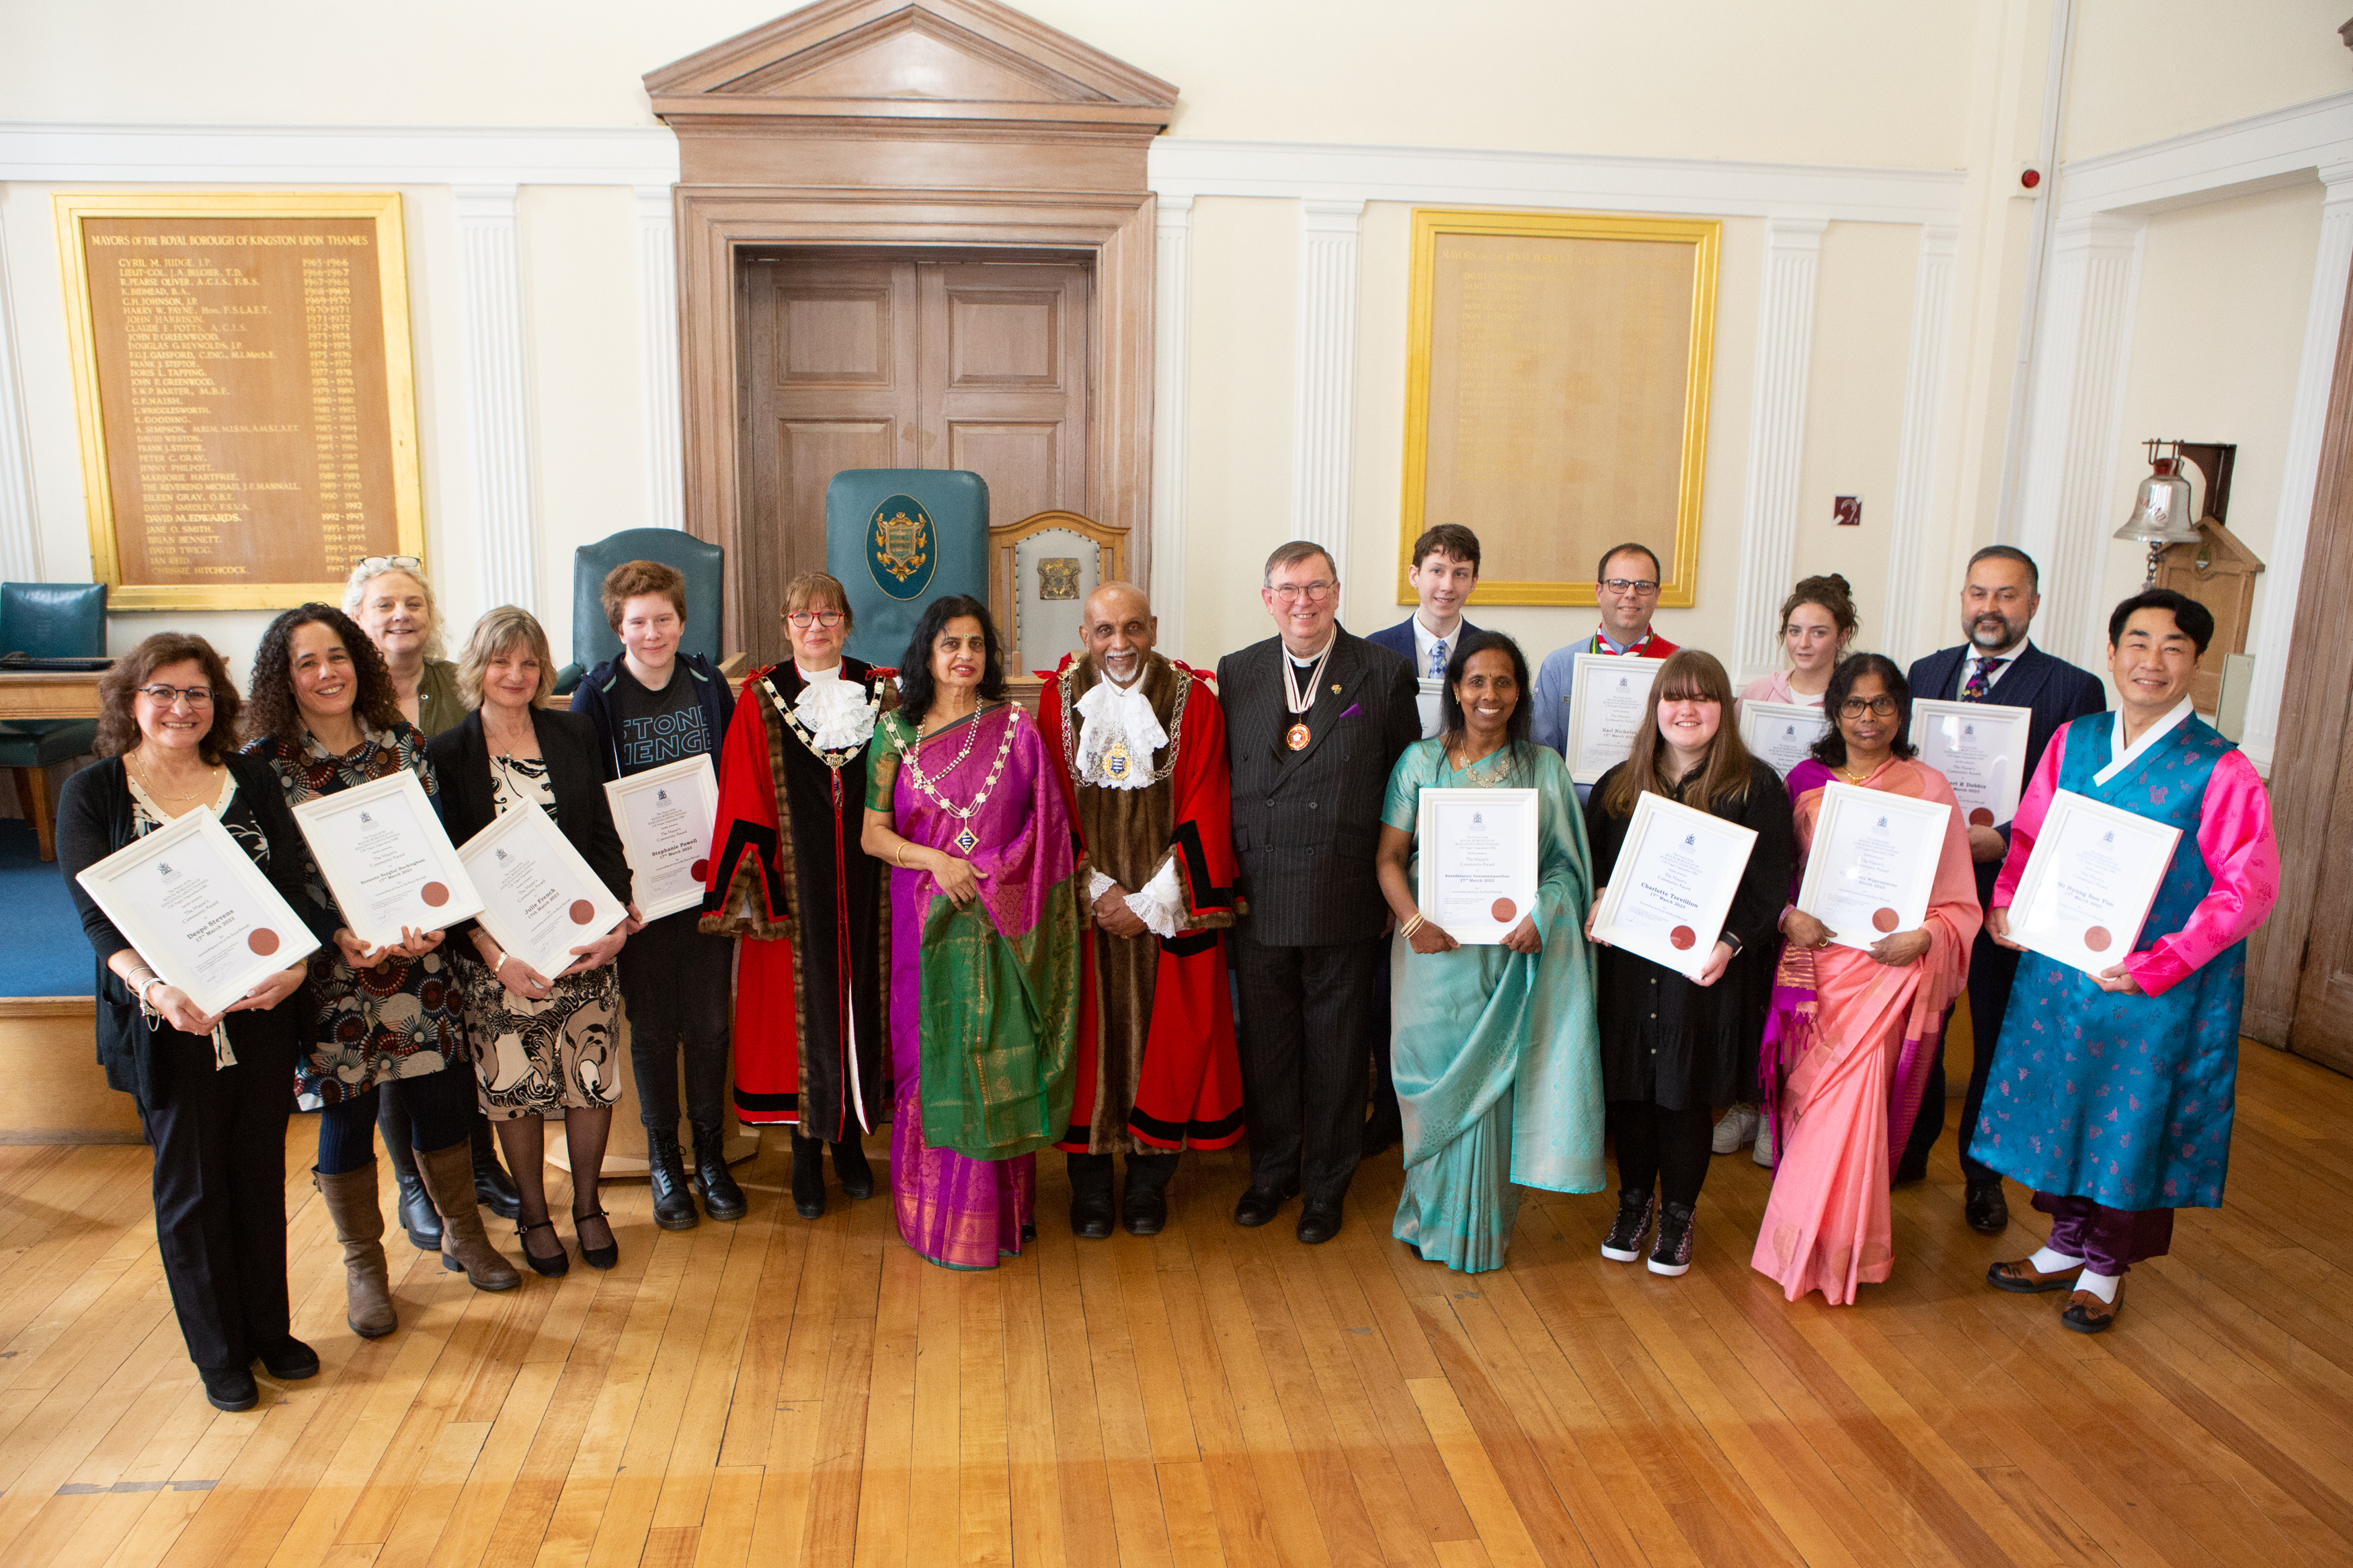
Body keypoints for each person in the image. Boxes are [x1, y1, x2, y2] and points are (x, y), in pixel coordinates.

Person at [1978, 589, 2278, 1333]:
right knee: (2065, 1100)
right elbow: (2032, 836)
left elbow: (2246, 887)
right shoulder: (2075, 739)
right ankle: (2063, 1243)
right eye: (2135, 642)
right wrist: (2008, 901)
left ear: (2195, 663)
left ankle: (2105, 1265)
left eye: (2172, 646)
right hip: (2062, 968)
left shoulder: (2220, 768)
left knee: (2128, 1120)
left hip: (2152, 983)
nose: (2151, 660)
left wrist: (2161, 961)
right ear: (2109, 653)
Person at [58, 636, 329, 1412]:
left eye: (198, 692)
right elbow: (96, 918)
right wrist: (153, 988)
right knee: (192, 1187)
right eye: (163, 691)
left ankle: (268, 1333)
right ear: (131, 701)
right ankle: (219, 1352)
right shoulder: (95, 791)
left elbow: (294, 885)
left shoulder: (246, 777)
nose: (181, 707)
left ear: (220, 703)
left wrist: (297, 966)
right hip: (165, 1020)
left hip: (260, 1011)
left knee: (254, 1175)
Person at [245, 605, 519, 1337]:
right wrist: (333, 933)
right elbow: (268, 878)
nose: (326, 672)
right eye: (307, 662)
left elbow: (435, 844)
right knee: (347, 1113)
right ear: (284, 676)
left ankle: (464, 1233)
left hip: (416, 956)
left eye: (336, 655)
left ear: (358, 662)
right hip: (333, 969)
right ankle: (364, 1265)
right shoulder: (264, 762)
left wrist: (440, 916)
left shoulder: (401, 742)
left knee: (439, 1098)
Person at [859, 596, 1082, 1270]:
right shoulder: (894, 732)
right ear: (926, 654)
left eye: (976, 644)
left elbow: (1046, 831)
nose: (964, 655)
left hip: (999, 924)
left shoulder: (1015, 728)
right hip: (921, 925)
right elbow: (872, 834)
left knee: (993, 1057)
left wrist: (984, 875)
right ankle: (935, 1215)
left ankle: (999, 1216)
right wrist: (937, 860)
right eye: (949, 643)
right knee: (929, 1062)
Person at [1751, 655, 1981, 1304]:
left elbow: (1959, 899)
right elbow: (1771, 880)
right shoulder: (1802, 782)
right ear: (1834, 710)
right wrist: (1788, 916)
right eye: (1855, 704)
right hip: (1814, 970)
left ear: (1901, 712)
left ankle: (1838, 1255)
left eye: (1882, 704)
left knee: (1849, 1113)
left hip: (1887, 974)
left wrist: (1928, 937)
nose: (1869, 717)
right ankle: (1797, 1245)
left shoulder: (1929, 787)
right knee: (1811, 1107)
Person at [1373, 631, 1603, 1272]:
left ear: (1520, 693)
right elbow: (1388, 858)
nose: (1490, 695)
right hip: (1430, 951)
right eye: (1477, 681)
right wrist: (1413, 919)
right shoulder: (1420, 761)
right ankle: (1426, 1216)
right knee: (1429, 1081)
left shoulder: (1545, 767)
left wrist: (1544, 913)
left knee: (1493, 1091)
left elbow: (1566, 869)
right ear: (1454, 688)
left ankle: (1479, 1230)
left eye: (1504, 683)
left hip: (1506, 956)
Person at [1219, 541, 1419, 1245]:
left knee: (1336, 1049)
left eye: (1314, 587)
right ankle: (1272, 1171)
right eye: (1287, 589)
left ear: (1336, 591)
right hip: (1258, 887)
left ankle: (1327, 1184)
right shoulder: (1236, 670)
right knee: (1267, 1044)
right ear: (1266, 597)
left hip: (1342, 886)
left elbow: (1404, 783)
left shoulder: (1384, 670)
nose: (1301, 601)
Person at [1901, 545, 2105, 1229]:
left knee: (1992, 1030)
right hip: (1927, 884)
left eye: (2006, 594)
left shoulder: (2071, 689)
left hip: (2004, 890)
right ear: (1962, 598)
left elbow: (2078, 796)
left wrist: (2010, 834)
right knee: (1923, 1018)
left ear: (2033, 604)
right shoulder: (1925, 673)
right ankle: (1908, 1145)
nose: (1988, 607)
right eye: (1977, 592)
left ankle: (1981, 1172)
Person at [429, 608, 635, 1277]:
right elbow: (450, 873)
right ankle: (532, 1212)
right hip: (499, 957)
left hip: (578, 943)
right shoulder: (447, 753)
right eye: (501, 661)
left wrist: (614, 925)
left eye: (527, 662)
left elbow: (602, 836)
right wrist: (493, 956)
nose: (514, 675)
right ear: (477, 668)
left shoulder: (573, 732)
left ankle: (585, 1205)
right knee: (514, 1083)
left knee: (587, 1077)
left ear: (543, 669)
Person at [1037, 582, 1245, 1238]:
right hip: (1088, 907)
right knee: (1084, 1045)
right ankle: (1091, 1184)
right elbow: (1043, 804)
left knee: (1172, 1040)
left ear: (1152, 627)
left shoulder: (1195, 700)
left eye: (1132, 627)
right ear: (1083, 635)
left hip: (1167, 905)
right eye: (1104, 630)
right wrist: (1094, 888)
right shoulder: (1055, 700)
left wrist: (1155, 897)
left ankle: (1151, 1180)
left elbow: (1207, 800)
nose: (1119, 643)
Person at [1585, 649, 1791, 1276]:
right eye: (1675, 697)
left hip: (1704, 975)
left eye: (1703, 698)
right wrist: (1598, 900)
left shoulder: (1755, 786)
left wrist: (1728, 944)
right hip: (1629, 969)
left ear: (1724, 710)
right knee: (1631, 1095)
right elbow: (1593, 867)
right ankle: (1631, 1205)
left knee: (1682, 1097)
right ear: (1656, 708)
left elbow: (1770, 884)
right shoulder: (1620, 785)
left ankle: (1677, 1215)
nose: (1687, 709)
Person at [344, 554, 524, 1247]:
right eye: (384, 605)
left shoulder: (458, 682)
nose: (400, 616)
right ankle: (414, 1184)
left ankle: (477, 1165)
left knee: (460, 1037)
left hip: (463, 882)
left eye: (412, 603)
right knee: (396, 1040)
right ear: (358, 617)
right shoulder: (345, 691)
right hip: (382, 894)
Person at [703, 570, 887, 1221]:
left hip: (871, 888)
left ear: (846, 621)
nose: (816, 626)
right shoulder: (759, 699)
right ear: (785, 625)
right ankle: (804, 1153)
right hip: (792, 887)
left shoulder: (880, 691)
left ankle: (849, 1146)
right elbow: (743, 793)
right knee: (792, 1020)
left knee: (859, 1004)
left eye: (828, 614)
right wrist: (759, 890)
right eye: (802, 615)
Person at [568, 561, 744, 1229]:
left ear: (682, 620)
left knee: (708, 1025)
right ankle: (664, 1162)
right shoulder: (598, 694)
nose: (651, 632)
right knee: (653, 1030)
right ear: (618, 626)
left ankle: (710, 1155)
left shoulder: (706, 683)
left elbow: (732, 780)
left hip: (702, 887)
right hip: (641, 899)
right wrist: (618, 893)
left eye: (662, 618)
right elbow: (589, 802)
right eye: (637, 621)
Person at [1361, 522, 1484, 1155]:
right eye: (1437, 570)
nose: (1447, 584)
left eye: (1461, 573)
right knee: (1392, 984)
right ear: (1414, 575)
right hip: (1394, 835)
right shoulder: (1372, 650)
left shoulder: (1492, 652)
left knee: (1457, 973)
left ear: (1473, 581)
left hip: (1471, 845)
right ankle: (1390, 1105)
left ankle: (1460, 1102)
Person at [1532, 541, 1683, 802]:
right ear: (1599, 592)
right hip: (1577, 810)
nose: (1631, 594)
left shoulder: (1680, 667)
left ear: (1658, 595)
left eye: (1643, 586)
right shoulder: (1559, 666)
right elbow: (1542, 755)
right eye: (1619, 584)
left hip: (1655, 808)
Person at [1737, 573, 1857, 712]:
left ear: (1842, 637)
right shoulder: (1757, 693)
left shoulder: (1855, 700)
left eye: (1818, 633)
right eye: (1795, 631)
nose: (1804, 643)